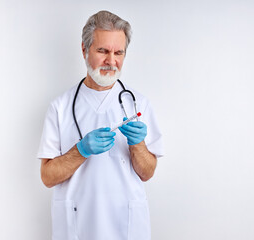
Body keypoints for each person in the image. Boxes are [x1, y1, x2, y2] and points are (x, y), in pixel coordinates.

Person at [37, 10, 163, 240]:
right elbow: (47, 176)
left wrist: (138, 145)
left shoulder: (138, 104)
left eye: (119, 52)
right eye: (103, 51)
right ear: (84, 50)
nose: (111, 61)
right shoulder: (60, 107)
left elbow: (148, 172)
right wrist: (80, 150)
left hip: (125, 226)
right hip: (77, 226)